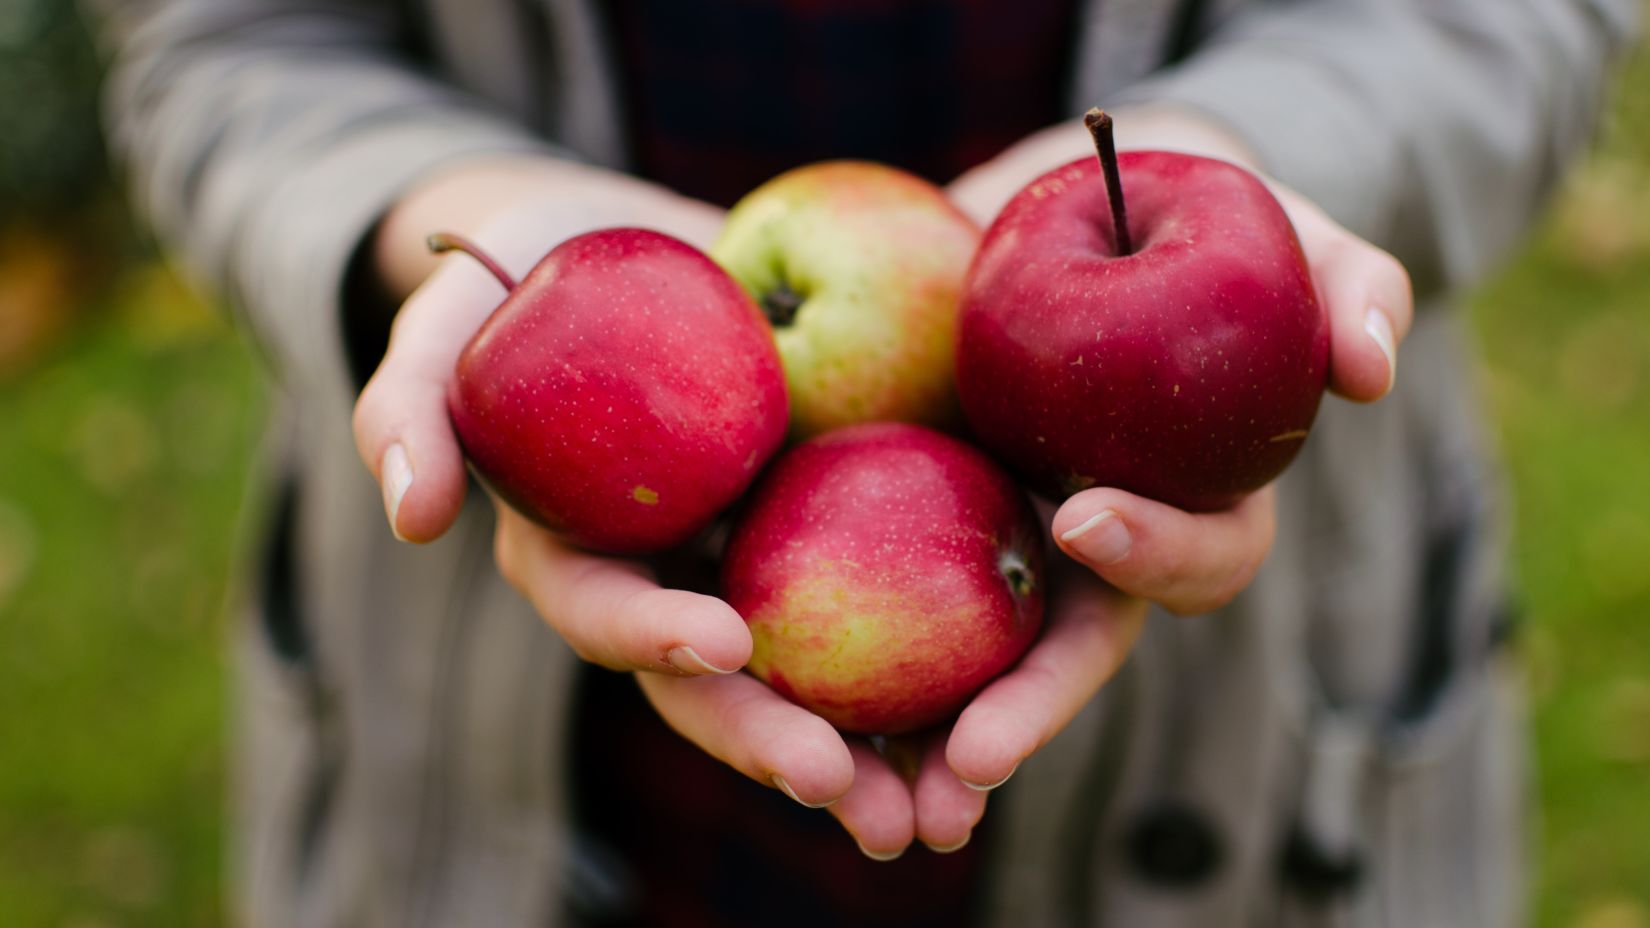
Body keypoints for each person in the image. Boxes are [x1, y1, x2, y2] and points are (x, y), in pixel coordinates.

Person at [89, 0, 1636, 924]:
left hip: (1253, 742)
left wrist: (1232, 144)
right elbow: (221, 40)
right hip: (496, 757)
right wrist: (422, 203)